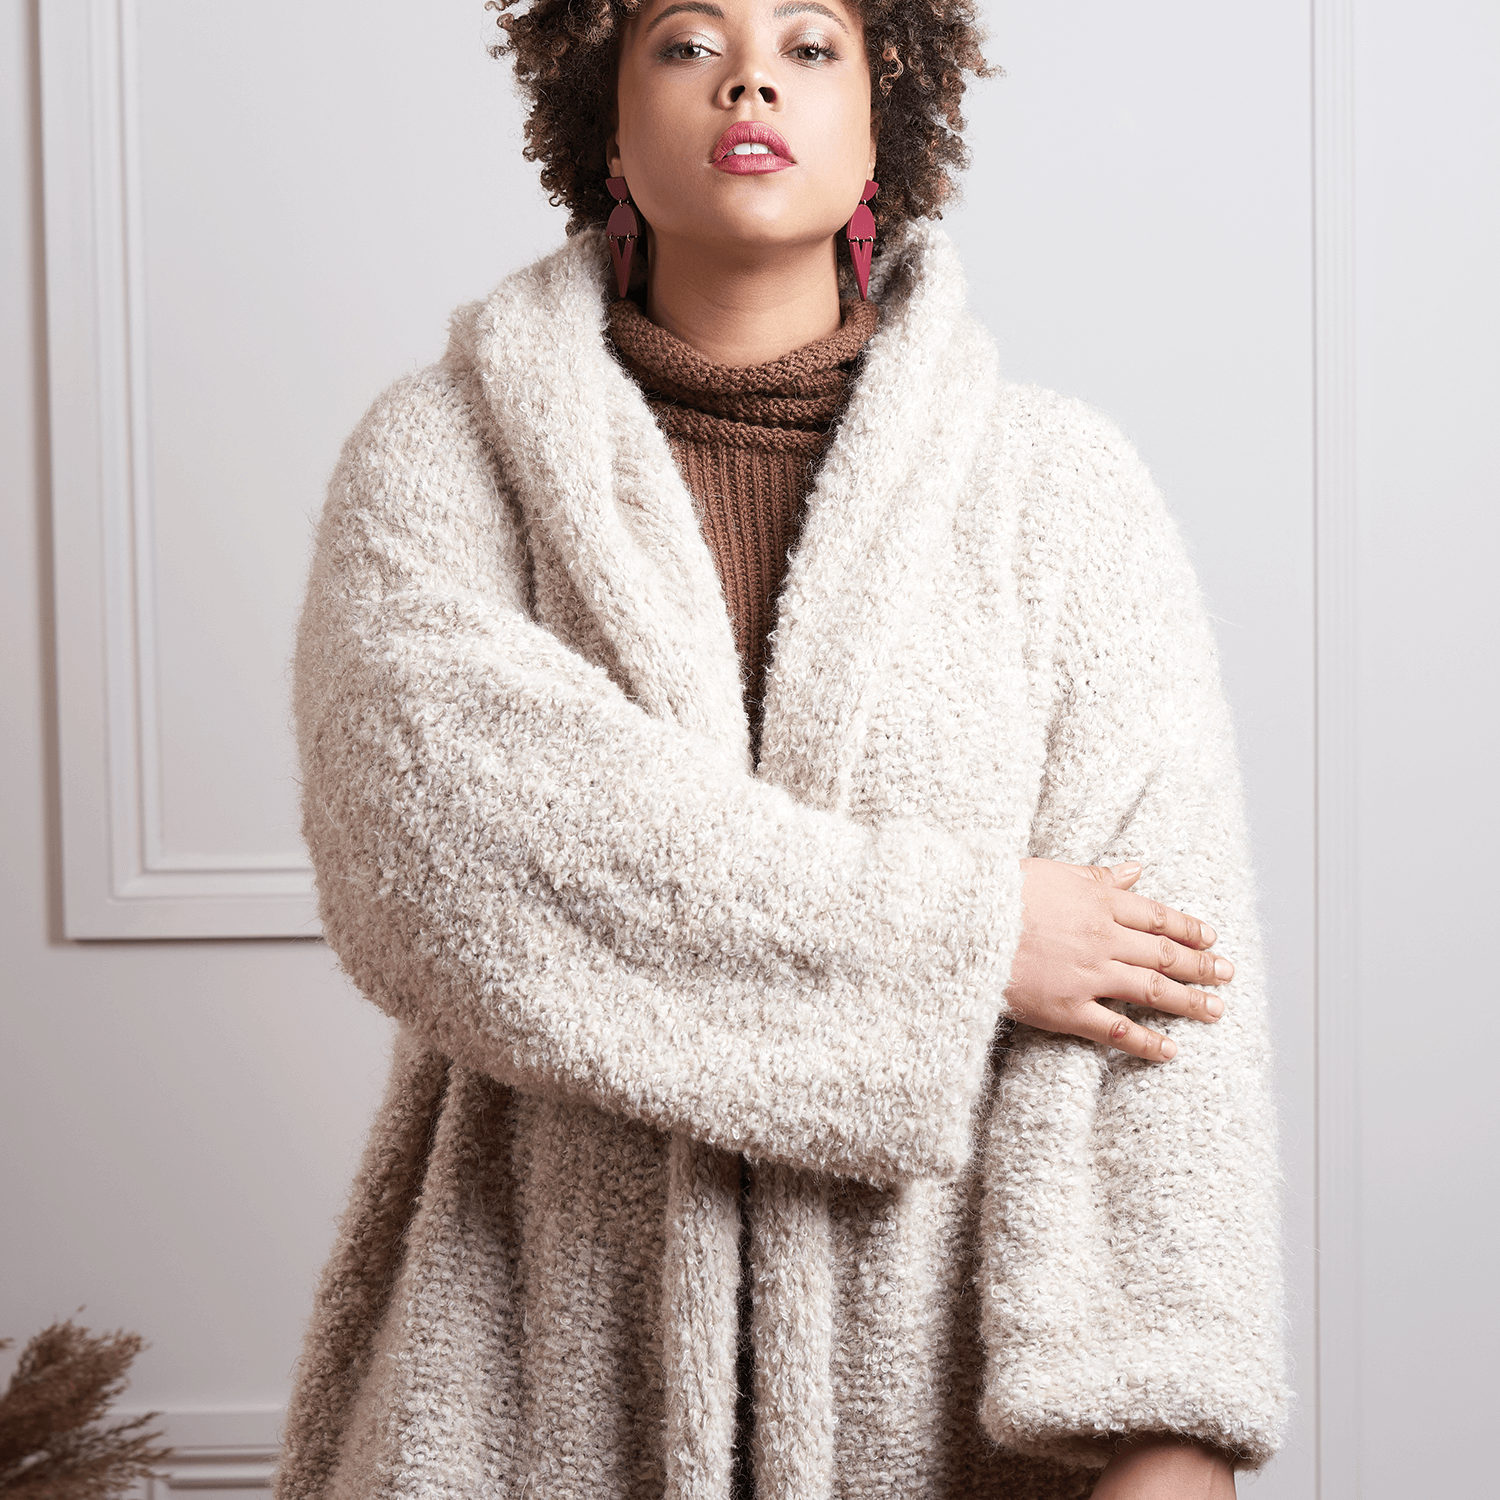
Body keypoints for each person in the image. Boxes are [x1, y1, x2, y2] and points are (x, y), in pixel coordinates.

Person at [274, 1, 1289, 1496]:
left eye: (809, 45)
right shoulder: (445, 458)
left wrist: (1172, 1423)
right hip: (531, 1383)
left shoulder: (1062, 496)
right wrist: (974, 936)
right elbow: (434, 852)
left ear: (889, 116)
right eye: (687, 42)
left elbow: (1165, 983)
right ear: (604, 117)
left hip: (950, 1400)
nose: (750, 76)